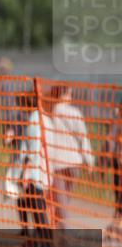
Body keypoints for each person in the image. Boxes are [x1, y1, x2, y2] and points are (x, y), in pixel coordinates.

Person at [3, 93, 52, 247]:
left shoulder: (34, 120)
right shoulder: (41, 118)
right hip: (38, 172)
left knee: (38, 211)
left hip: (34, 175)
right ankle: (40, 242)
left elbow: (33, 150)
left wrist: (26, 172)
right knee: (34, 209)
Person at [46, 84, 94, 227]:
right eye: (69, 94)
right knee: (64, 200)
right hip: (74, 163)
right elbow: (83, 138)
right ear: (65, 95)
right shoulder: (75, 113)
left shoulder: (49, 112)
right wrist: (89, 160)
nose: (71, 97)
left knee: (59, 202)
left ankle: (62, 231)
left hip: (57, 163)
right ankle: (59, 229)